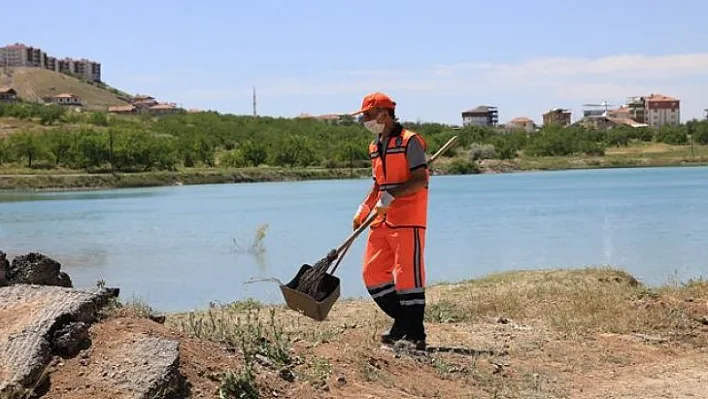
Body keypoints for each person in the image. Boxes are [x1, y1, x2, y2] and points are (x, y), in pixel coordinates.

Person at [348, 92, 430, 351]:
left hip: (408, 219)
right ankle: (404, 325)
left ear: (383, 113)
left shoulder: (410, 142)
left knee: (408, 278)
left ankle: (415, 335)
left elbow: (420, 180)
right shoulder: (374, 146)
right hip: (381, 220)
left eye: (367, 115)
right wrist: (364, 207)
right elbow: (378, 184)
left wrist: (392, 195)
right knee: (371, 273)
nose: (364, 120)